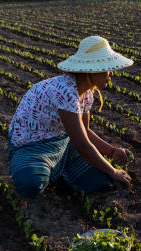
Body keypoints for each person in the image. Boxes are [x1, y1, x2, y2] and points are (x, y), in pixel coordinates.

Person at [8, 36, 134, 197]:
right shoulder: (66, 92)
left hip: (62, 142)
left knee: (101, 181)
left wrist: (112, 151)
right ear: (93, 69)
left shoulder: (86, 94)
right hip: (30, 143)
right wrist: (113, 170)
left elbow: (85, 132)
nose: (111, 74)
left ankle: (60, 167)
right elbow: (82, 145)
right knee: (31, 184)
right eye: (108, 68)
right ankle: (45, 168)